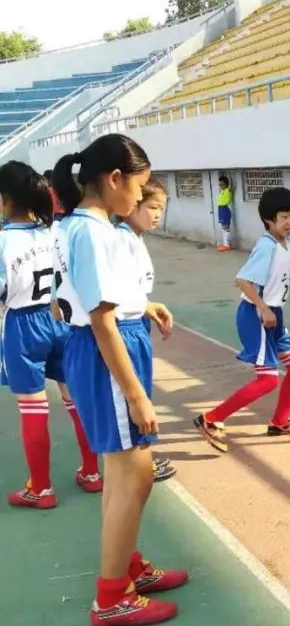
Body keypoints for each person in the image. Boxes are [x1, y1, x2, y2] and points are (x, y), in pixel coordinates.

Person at [52, 134, 185, 626]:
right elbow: (101, 321)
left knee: (123, 471)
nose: (139, 198)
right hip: (108, 352)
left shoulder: (83, 226)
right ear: (114, 180)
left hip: (109, 344)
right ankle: (111, 597)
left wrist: (142, 305)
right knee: (136, 472)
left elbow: (84, 297)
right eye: (139, 186)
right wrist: (134, 393)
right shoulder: (92, 232)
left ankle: (126, 569)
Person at [194, 187, 290, 452]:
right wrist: (263, 309)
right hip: (256, 315)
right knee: (268, 379)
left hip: (275, 315)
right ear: (269, 220)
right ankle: (210, 419)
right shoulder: (266, 247)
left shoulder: (287, 247)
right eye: (284, 216)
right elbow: (242, 280)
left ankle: (279, 421)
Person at [0, 161, 101, 509]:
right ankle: (92, 473)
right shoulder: (55, 232)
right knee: (76, 402)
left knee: (33, 409)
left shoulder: (3, 241)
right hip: (60, 316)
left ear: (4, 200)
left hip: (23, 325)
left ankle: (41, 489)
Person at [116, 177, 176, 483]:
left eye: (161, 209)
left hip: (137, 322)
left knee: (143, 390)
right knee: (135, 396)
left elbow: (133, 289)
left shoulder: (135, 237)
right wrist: (143, 306)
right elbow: (117, 294)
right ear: (132, 205)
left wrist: (149, 306)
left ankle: (143, 458)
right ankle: (139, 463)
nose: (157, 214)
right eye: (152, 207)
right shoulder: (122, 239)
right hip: (125, 327)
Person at [217, 174, 233, 252]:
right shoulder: (222, 191)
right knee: (223, 227)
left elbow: (230, 184)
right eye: (220, 184)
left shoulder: (228, 190)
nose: (221, 186)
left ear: (226, 184)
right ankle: (225, 243)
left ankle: (227, 245)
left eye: (222, 184)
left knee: (226, 227)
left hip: (225, 209)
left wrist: (230, 174)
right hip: (220, 209)